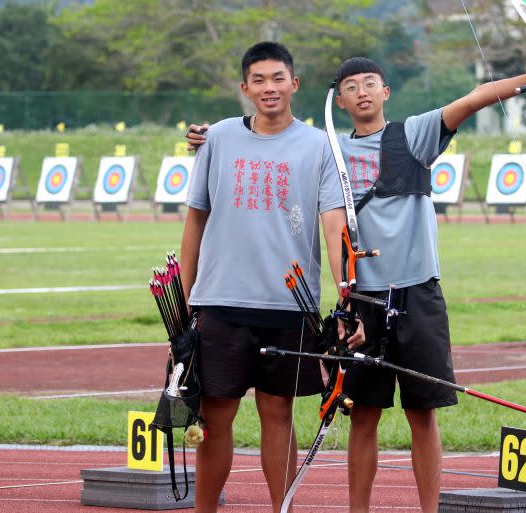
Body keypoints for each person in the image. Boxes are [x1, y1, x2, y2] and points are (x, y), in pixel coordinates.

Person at [187, 53, 526, 513]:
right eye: (352, 87)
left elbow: (472, 100)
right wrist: (212, 136)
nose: (363, 92)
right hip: (364, 299)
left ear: (386, 91)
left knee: (422, 413)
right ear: (340, 100)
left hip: (417, 292)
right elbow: (268, 141)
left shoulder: (413, 135)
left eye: (372, 83)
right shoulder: (328, 148)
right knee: (362, 415)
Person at [180, 41, 346, 513]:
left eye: (278, 78)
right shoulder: (219, 138)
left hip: (289, 305)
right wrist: (187, 299)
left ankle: (283, 509)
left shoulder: (319, 145)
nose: (269, 88)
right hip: (221, 301)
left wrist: (344, 295)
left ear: (294, 83)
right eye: (259, 80)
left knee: (278, 415)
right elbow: (196, 218)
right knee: (214, 417)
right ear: (244, 88)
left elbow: (333, 225)